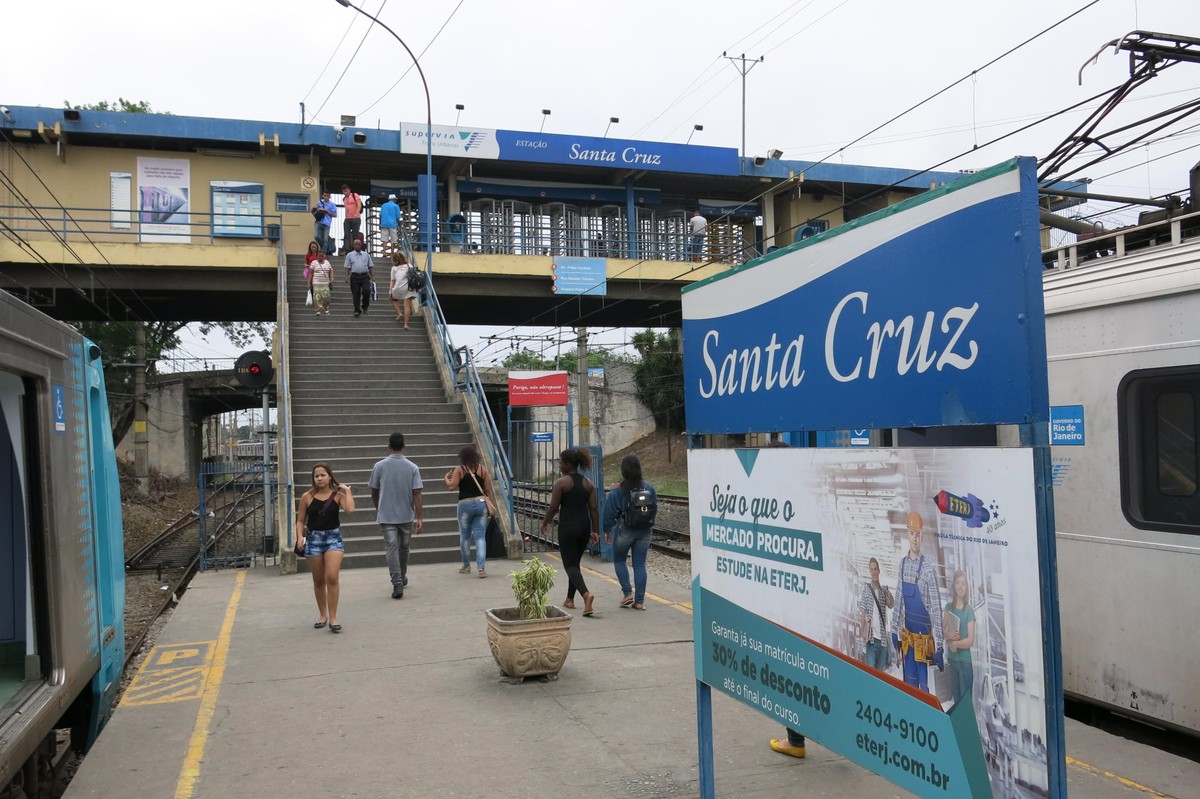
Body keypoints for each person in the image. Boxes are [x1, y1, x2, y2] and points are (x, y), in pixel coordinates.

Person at [295, 462, 355, 633]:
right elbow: (300, 520)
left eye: (323, 475)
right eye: (316, 476)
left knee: (332, 577)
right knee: (319, 580)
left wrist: (347, 491)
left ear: (329, 477)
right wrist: (299, 537)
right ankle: (323, 614)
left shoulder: (337, 496)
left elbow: (350, 509)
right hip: (313, 539)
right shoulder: (307, 497)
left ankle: (333, 617)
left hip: (333, 538)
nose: (320, 478)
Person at [540, 448, 600, 616]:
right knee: (575, 564)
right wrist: (595, 531)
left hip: (568, 527)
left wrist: (545, 523)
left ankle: (586, 595)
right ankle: (569, 599)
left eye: (561, 463)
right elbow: (594, 509)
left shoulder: (562, 483)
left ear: (568, 465)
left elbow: (553, 507)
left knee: (570, 565)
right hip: (584, 527)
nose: (559, 466)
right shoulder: (588, 483)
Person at [891, 511, 944, 693]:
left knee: (925, 689)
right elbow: (899, 599)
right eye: (912, 533)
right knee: (909, 687)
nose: (915, 539)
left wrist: (939, 646)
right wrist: (893, 630)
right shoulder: (902, 565)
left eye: (918, 534)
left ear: (922, 535)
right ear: (907, 533)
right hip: (908, 642)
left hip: (924, 644)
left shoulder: (928, 569)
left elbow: (936, 609)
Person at [369, 432, 423, 599]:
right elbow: (417, 493)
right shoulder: (413, 467)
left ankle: (397, 581)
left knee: (391, 547)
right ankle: (401, 576)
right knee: (404, 547)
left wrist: (378, 507)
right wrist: (420, 517)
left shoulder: (379, 466)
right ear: (404, 446)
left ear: (389, 446)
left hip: (386, 515)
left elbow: (374, 491)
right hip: (406, 514)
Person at [600, 454, 656, 610]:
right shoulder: (649, 487)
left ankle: (627, 593)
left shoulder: (617, 491)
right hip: (645, 530)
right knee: (639, 564)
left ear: (623, 471)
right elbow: (654, 508)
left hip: (625, 530)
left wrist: (606, 530)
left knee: (619, 560)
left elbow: (609, 513)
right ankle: (639, 602)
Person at [444, 444, 494, 577]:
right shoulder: (482, 469)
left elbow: (451, 487)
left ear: (462, 458)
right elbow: (488, 490)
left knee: (465, 536)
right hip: (481, 504)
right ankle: (481, 568)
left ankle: (466, 566)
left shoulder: (459, 470)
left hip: (465, 505)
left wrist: (446, 479)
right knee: (480, 537)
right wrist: (491, 506)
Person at [944, 569, 976, 705]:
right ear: (954, 585)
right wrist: (950, 635)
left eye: (963, 583)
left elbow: (970, 640)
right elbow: (942, 631)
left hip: (964, 663)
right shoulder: (948, 608)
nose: (960, 586)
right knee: (956, 702)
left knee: (965, 704)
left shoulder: (968, 610)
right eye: (958, 583)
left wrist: (956, 644)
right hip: (952, 662)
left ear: (966, 587)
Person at [858, 556, 894, 671]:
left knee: (879, 676)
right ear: (870, 571)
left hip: (883, 642)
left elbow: (891, 605)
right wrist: (863, 632)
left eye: (875, 569)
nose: (873, 571)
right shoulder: (866, 589)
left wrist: (890, 596)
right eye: (871, 569)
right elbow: (863, 612)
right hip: (871, 640)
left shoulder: (883, 591)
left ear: (878, 571)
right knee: (871, 674)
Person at [343, 236, 374, 317]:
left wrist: (372, 276)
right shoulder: (350, 255)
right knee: (356, 294)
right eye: (355, 244)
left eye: (359, 244)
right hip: (354, 276)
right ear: (353, 245)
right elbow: (347, 267)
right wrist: (346, 276)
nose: (357, 245)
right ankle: (357, 310)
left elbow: (370, 266)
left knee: (366, 291)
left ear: (361, 245)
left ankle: (365, 306)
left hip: (365, 276)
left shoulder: (366, 255)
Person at [388, 252, 419, 329]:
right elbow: (414, 276)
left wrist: (390, 290)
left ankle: (399, 313)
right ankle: (406, 324)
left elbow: (392, 280)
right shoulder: (409, 266)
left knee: (393, 298)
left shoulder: (394, 268)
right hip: (409, 288)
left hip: (398, 287)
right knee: (407, 306)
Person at [308, 250, 334, 316]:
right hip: (316, 282)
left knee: (326, 297)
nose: (321, 257)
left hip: (325, 282)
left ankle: (326, 309)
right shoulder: (314, 263)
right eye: (320, 256)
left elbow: (331, 270)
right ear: (317, 256)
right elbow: (310, 273)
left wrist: (332, 278)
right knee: (317, 297)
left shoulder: (327, 262)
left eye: (322, 256)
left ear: (324, 256)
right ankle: (318, 310)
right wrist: (309, 283)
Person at [341, 184, 363, 255]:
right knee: (346, 235)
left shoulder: (355, 195)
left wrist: (356, 213)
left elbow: (359, 205)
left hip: (355, 218)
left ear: (349, 190)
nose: (345, 192)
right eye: (344, 191)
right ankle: (346, 250)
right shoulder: (344, 199)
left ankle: (355, 249)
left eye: (346, 191)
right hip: (347, 219)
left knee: (355, 235)